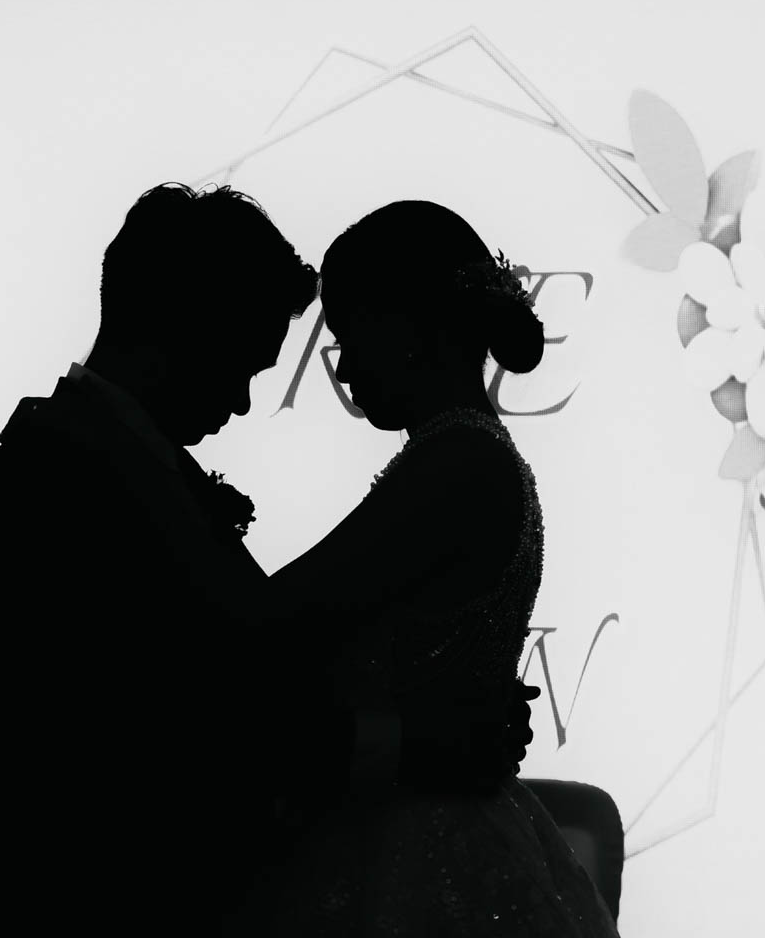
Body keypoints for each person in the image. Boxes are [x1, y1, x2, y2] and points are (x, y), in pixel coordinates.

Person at [0, 184, 539, 935]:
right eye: (239, 365)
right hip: (92, 902)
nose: (240, 404)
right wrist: (419, 738)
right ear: (185, 327)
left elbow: (242, 665)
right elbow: (192, 714)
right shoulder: (58, 473)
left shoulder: (116, 462)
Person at [219, 200, 621, 935]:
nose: (345, 369)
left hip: (412, 841)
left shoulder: (456, 464)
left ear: (407, 329)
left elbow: (272, 629)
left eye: (350, 337)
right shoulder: (473, 456)